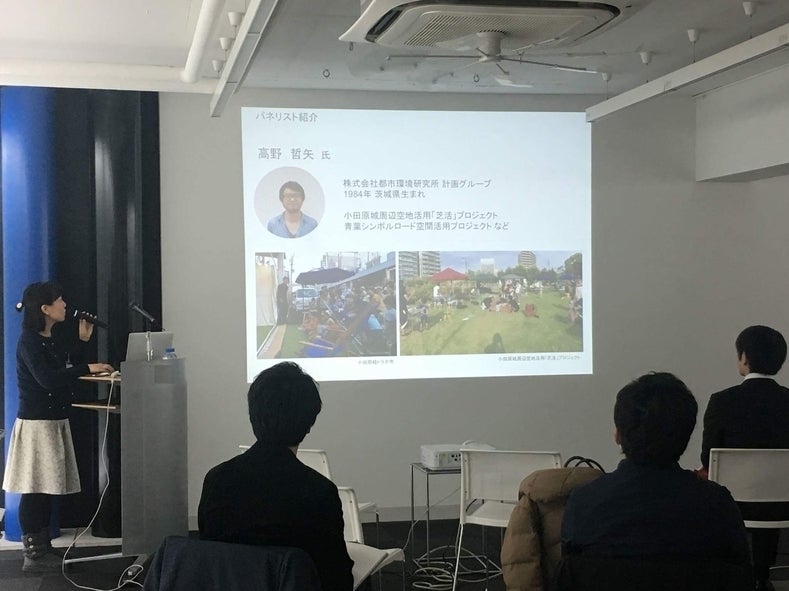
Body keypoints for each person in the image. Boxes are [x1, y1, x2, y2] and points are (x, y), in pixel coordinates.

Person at [562, 373, 750, 574]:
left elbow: (570, 575)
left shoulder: (583, 503)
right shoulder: (717, 504)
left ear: (617, 435)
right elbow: (742, 574)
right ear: (686, 437)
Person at [198, 362, 353, 591]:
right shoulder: (319, 492)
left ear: (253, 414)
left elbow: (210, 563)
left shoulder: (217, 481)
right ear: (309, 423)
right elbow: (336, 580)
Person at [2, 281, 113, 573]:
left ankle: (43, 547)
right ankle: (33, 553)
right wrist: (87, 368)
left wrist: (82, 341)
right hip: (37, 424)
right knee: (33, 488)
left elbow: (64, 367)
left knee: (46, 486)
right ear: (45, 309)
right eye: (59, 300)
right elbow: (48, 379)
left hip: (52, 421)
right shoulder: (29, 341)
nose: (64, 304)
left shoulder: (47, 339)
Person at [700, 325, 789, 591]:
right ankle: (762, 577)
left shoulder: (722, 401)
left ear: (744, 357)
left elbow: (707, 458)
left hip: (731, 506)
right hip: (784, 505)